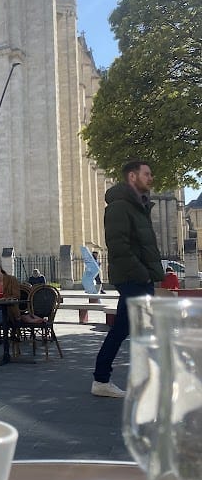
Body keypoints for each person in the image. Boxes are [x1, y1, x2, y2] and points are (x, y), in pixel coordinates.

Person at [91, 160, 164, 398]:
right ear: (132, 176)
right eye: (147, 174)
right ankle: (112, 379)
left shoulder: (138, 206)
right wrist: (142, 274)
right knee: (141, 327)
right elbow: (119, 245)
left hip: (139, 277)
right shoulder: (120, 207)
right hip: (134, 278)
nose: (151, 178)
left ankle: (102, 379)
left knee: (124, 328)